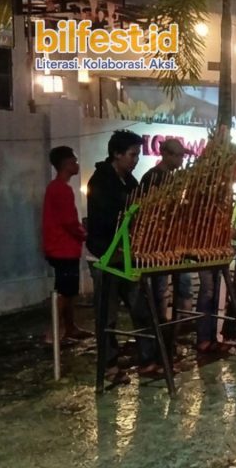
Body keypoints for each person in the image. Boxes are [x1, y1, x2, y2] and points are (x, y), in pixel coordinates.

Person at [87, 130, 157, 380]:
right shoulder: (100, 181)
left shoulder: (129, 181)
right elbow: (107, 220)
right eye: (132, 155)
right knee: (108, 315)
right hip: (105, 255)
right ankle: (109, 366)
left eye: (137, 155)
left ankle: (148, 361)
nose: (135, 160)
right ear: (117, 154)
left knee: (141, 309)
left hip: (127, 254)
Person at [138, 138, 193, 361]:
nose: (181, 160)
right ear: (166, 155)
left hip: (173, 242)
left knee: (183, 286)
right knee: (160, 290)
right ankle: (161, 335)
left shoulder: (172, 178)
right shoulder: (152, 178)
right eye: (178, 156)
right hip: (157, 243)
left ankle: (174, 334)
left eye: (182, 156)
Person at [41, 146, 91, 344]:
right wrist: (84, 233)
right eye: (75, 161)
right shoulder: (62, 189)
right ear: (66, 163)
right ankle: (52, 333)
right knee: (64, 291)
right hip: (63, 248)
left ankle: (70, 328)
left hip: (59, 247)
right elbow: (69, 221)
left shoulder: (55, 187)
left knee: (67, 290)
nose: (77, 165)